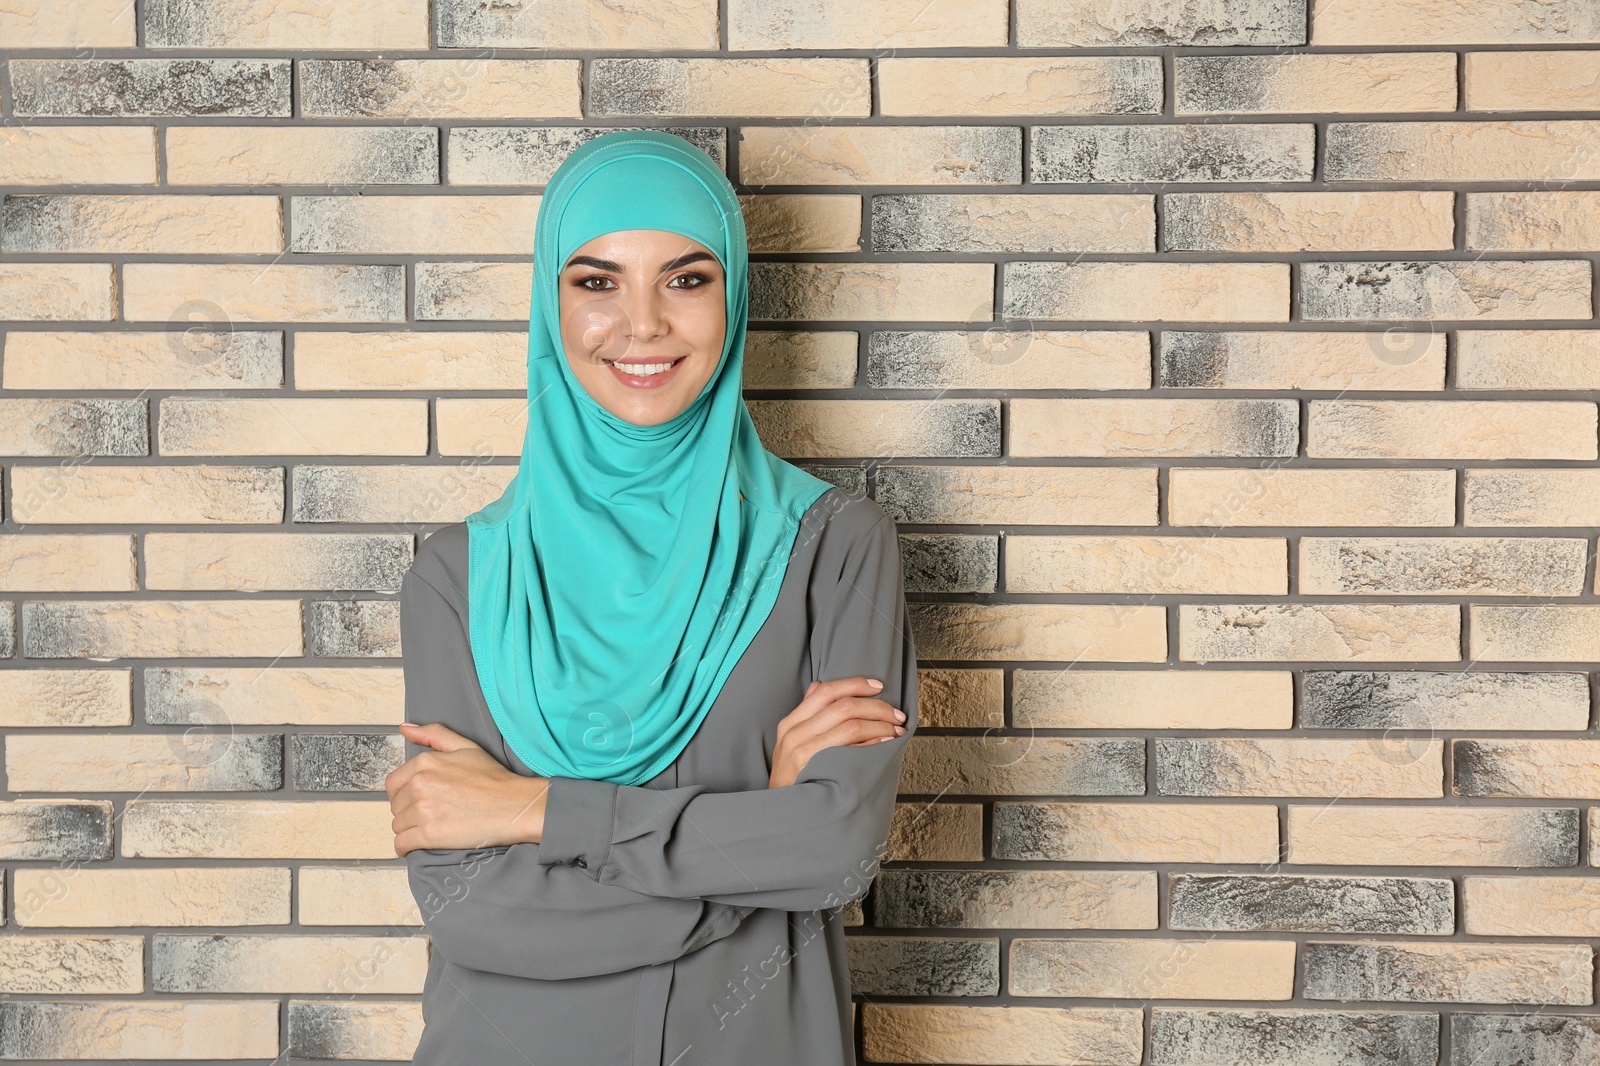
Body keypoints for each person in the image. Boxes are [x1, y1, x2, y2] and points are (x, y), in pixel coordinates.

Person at [385, 129, 919, 1066]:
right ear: (551, 303)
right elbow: (478, 914)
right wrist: (758, 833)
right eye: (596, 283)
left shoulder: (835, 546)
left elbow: (838, 850)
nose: (642, 325)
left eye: (685, 279)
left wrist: (536, 812)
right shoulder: (457, 577)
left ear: (735, 295)